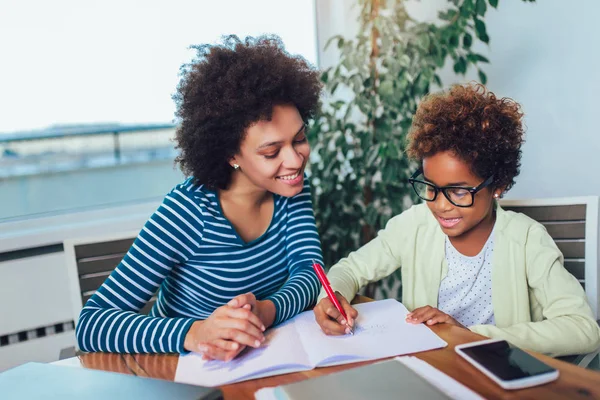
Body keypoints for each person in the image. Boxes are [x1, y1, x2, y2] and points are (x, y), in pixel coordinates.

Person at [76, 35, 324, 361]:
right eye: (272, 151)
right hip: (182, 375)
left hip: (263, 361)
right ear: (230, 154)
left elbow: (311, 272)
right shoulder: (187, 212)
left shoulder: (290, 189)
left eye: (300, 138)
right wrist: (196, 332)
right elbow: (92, 324)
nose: (295, 160)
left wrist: (267, 310)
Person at [313, 84, 600, 357]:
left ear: (497, 185)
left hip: (499, 377)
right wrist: (334, 296)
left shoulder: (527, 239)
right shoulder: (414, 225)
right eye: (430, 187)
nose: (439, 205)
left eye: (458, 191)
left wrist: (472, 335)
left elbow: (583, 329)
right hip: (432, 370)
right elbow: (350, 269)